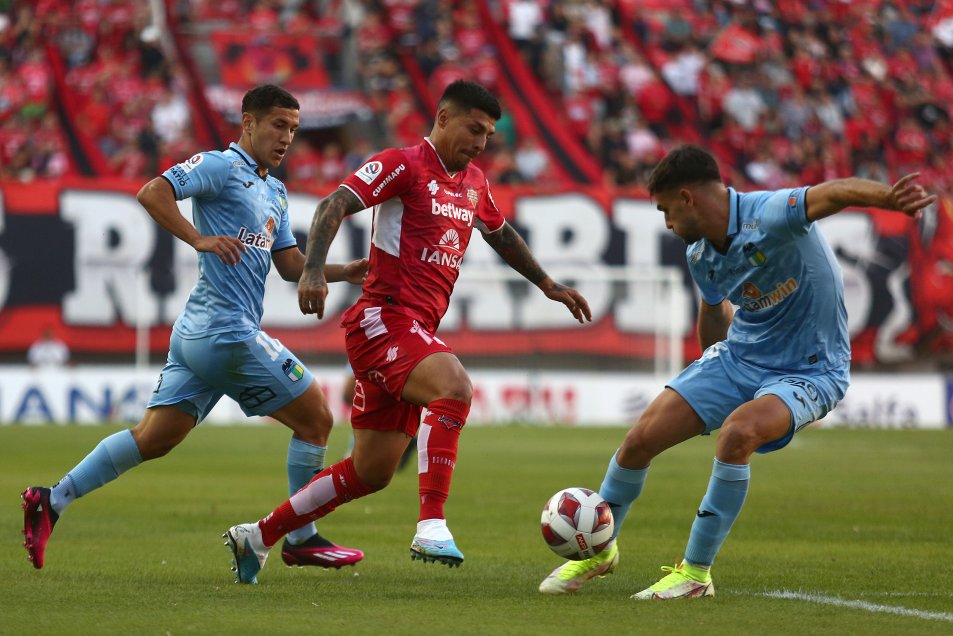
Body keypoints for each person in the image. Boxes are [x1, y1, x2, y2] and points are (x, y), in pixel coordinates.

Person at [223, 79, 593, 584]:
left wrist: (548, 283)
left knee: (371, 472)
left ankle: (259, 536)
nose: (481, 142)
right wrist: (312, 269)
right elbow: (335, 203)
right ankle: (431, 523)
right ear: (442, 118)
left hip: (412, 329)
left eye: (488, 134)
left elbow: (501, 234)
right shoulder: (403, 164)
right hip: (383, 318)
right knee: (455, 388)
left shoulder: (476, 183)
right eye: (473, 128)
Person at [538, 145, 937, 599]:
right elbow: (714, 312)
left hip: (811, 368)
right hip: (739, 358)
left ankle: (694, 575)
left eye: (666, 210)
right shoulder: (700, 255)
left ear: (687, 197)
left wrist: (888, 199)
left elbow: (836, 192)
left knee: (737, 434)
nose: (667, 223)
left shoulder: (769, 213)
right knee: (639, 440)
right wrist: (708, 392)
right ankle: (598, 552)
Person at [21, 84, 367, 573]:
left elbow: (289, 264)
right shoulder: (220, 166)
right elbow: (152, 191)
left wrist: (341, 269)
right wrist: (198, 238)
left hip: (199, 335)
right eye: (277, 125)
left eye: (293, 128)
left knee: (154, 438)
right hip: (225, 332)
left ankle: (51, 500)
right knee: (316, 421)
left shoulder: (276, 190)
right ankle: (300, 539)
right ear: (248, 123)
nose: (287, 136)